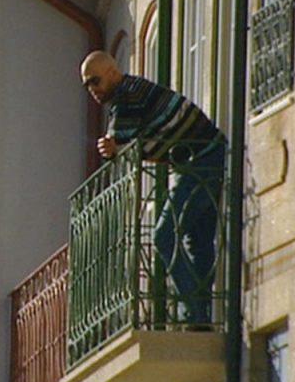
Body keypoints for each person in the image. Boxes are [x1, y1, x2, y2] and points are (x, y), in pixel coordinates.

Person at [80, 51, 225, 325]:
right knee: (198, 242)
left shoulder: (127, 95)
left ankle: (195, 314)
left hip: (200, 160)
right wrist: (116, 145)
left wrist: (112, 147)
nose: (92, 90)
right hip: (205, 155)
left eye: (95, 81)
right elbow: (132, 142)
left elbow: (123, 145)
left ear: (112, 72)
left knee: (163, 237)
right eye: (86, 85)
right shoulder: (131, 90)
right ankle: (201, 314)